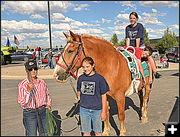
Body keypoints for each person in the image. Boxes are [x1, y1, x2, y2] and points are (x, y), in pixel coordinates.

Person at [76, 57, 109, 136]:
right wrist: (79, 97)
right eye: (83, 67)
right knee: (86, 133)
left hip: (97, 110)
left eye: (87, 67)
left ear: (93, 65)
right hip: (84, 110)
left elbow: (104, 96)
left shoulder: (100, 79)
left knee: (98, 133)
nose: (85, 69)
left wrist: (104, 112)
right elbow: (79, 91)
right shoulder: (81, 78)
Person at [18, 59, 52, 136]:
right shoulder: (23, 84)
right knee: (31, 134)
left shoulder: (42, 82)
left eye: (35, 69)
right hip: (30, 113)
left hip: (42, 111)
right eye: (30, 69)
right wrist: (28, 91)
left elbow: (47, 94)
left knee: (45, 133)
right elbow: (22, 102)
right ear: (27, 71)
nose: (33, 71)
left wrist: (48, 104)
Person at [125, 12, 161, 79]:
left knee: (148, 57)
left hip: (140, 46)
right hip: (131, 46)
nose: (132, 19)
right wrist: (127, 48)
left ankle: (155, 72)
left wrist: (137, 50)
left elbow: (138, 38)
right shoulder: (127, 27)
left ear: (137, 19)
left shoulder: (140, 26)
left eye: (133, 18)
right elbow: (127, 38)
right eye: (130, 18)